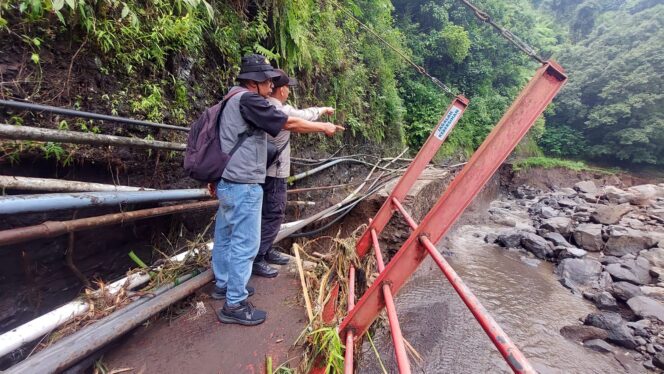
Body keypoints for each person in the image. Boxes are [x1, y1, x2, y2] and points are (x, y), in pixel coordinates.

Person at [210, 54, 343, 326]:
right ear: (255, 81)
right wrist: (323, 126)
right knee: (245, 243)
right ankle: (234, 304)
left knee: (225, 235)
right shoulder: (250, 100)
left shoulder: (229, 99)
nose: (272, 86)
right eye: (268, 81)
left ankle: (223, 284)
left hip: (226, 179)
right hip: (244, 182)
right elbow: (288, 122)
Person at [252, 69, 336, 278]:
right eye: (288, 88)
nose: (289, 91)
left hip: (267, 170)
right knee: (273, 213)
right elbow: (296, 122)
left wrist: (323, 110)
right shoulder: (274, 110)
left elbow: (302, 114)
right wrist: (323, 126)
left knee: (267, 213)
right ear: (281, 90)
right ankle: (258, 257)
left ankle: (266, 249)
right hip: (274, 172)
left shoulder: (273, 106)